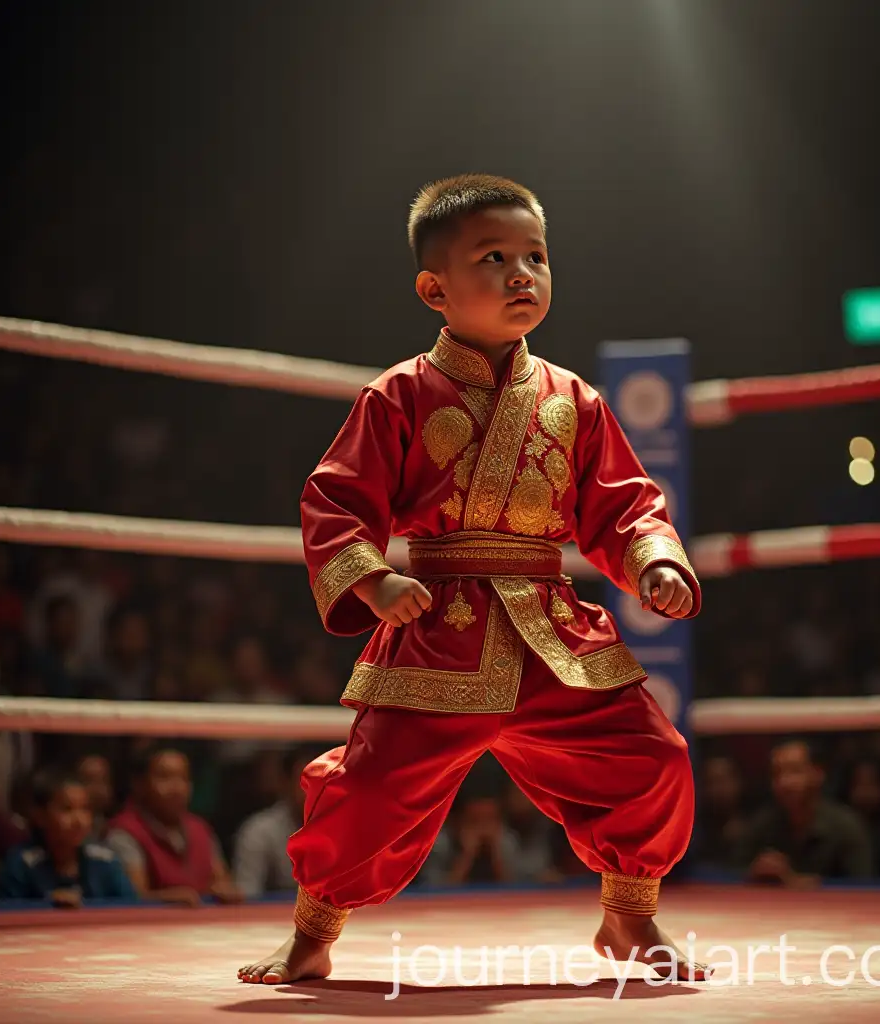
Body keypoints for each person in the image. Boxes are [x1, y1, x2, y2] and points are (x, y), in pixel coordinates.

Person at [238, 174, 707, 985]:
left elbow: (624, 503)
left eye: (536, 257)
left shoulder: (575, 399)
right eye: (494, 258)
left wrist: (654, 559)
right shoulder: (398, 393)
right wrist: (375, 582)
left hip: (554, 635)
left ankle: (629, 917)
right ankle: (313, 932)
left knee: (652, 758)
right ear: (435, 289)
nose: (522, 273)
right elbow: (337, 499)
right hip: (437, 629)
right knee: (370, 790)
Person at [106, 744, 244, 906]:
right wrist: (168, 899)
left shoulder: (200, 828)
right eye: (164, 777)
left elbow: (222, 881)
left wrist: (228, 892)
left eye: (184, 778)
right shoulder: (123, 833)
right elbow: (134, 898)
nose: (177, 788)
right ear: (139, 784)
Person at [737, 738, 873, 886]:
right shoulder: (762, 825)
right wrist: (753, 874)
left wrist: (798, 882)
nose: (784, 782)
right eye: (776, 773)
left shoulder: (846, 827)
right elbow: (730, 878)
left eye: (794, 771)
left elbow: (864, 888)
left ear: (818, 774)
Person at [0, 766, 135, 905]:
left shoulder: (105, 860)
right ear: (40, 816)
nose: (79, 821)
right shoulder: (22, 864)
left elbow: (132, 908)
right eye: (67, 809)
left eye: (85, 809)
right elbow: (6, 912)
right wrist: (47, 905)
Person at [232, 746, 319, 897]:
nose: (315, 790)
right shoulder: (259, 831)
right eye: (306, 782)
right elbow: (247, 896)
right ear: (285, 783)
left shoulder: (342, 828)